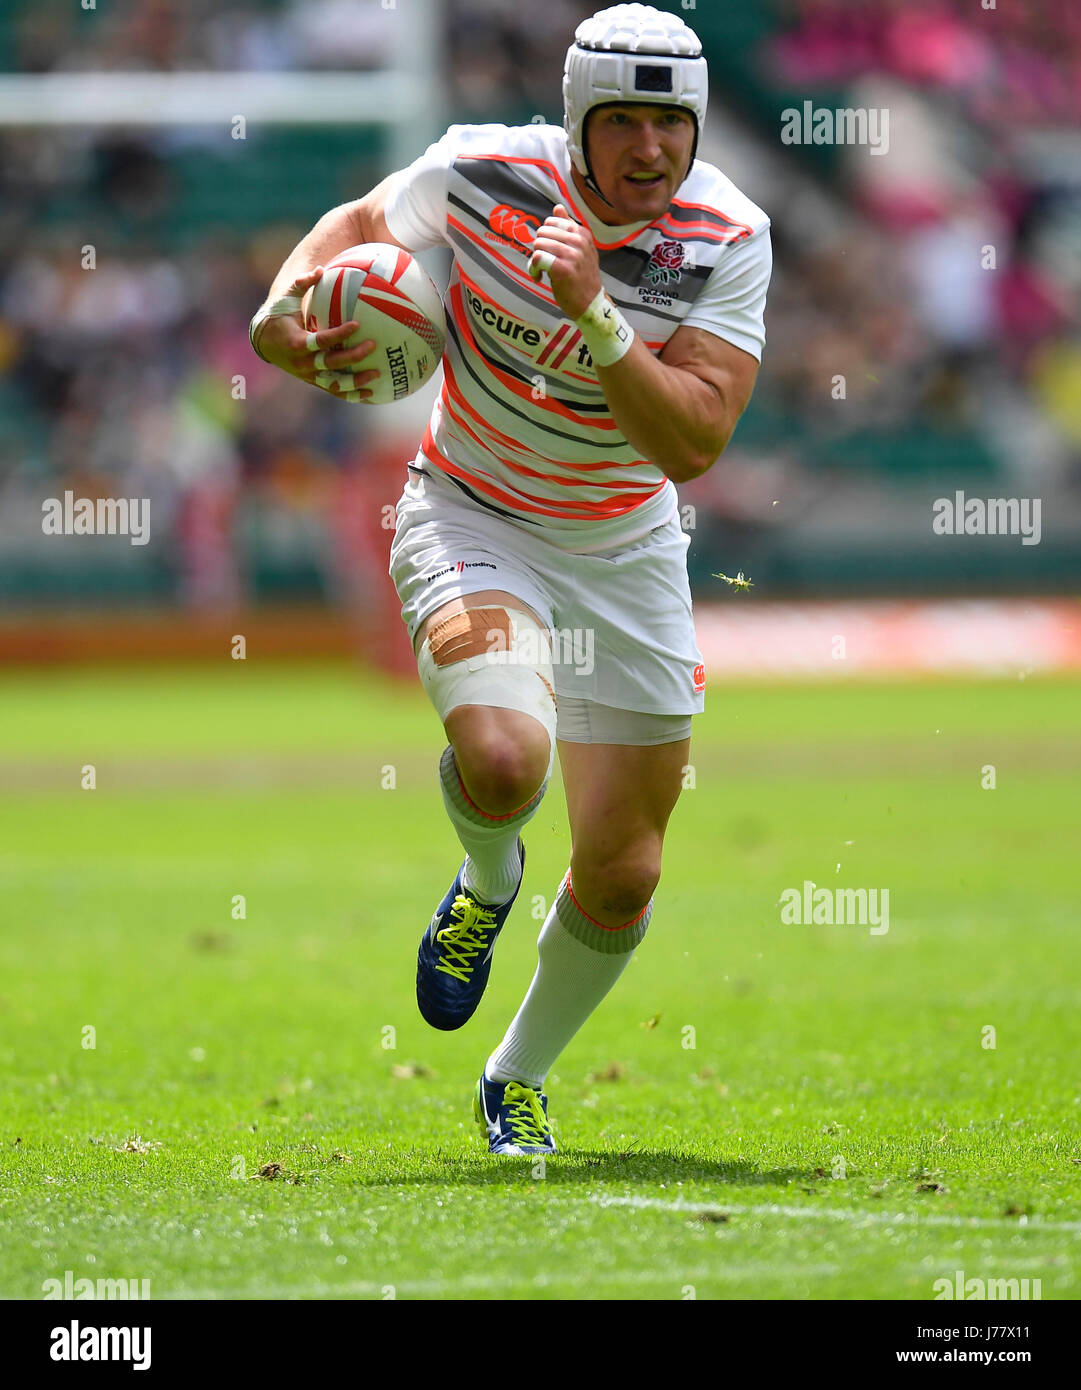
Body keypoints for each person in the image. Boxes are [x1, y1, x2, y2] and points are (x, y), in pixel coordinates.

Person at [250, 3, 771, 1156]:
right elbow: (353, 223)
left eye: (672, 123)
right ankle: (488, 880)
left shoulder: (729, 237)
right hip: (471, 508)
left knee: (626, 869)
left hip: (625, 544)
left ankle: (513, 1075)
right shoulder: (481, 170)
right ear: (578, 121)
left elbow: (690, 444)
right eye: (626, 121)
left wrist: (593, 309)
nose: (652, 149)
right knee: (499, 762)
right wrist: (281, 314)